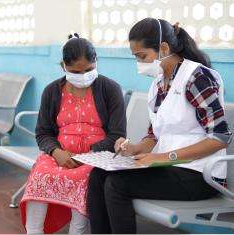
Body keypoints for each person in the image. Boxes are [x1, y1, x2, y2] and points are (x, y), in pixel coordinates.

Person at [87, 18, 233, 234]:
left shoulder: (197, 78)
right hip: (169, 170)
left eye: (142, 56)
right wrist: (134, 148)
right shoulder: (159, 83)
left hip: (199, 175)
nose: (139, 63)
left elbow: (220, 137)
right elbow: (153, 135)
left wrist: (164, 157)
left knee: (118, 184)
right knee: (98, 175)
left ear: (164, 48)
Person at [20, 34, 126, 234]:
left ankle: (77, 231)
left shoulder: (110, 89)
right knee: (40, 175)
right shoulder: (52, 91)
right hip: (60, 155)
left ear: (96, 62)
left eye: (89, 69)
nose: (84, 75)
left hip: (95, 158)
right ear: (63, 66)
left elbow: (117, 134)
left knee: (86, 182)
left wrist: (89, 155)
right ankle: (34, 231)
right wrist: (56, 152)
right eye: (75, 71)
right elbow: (43, 132)